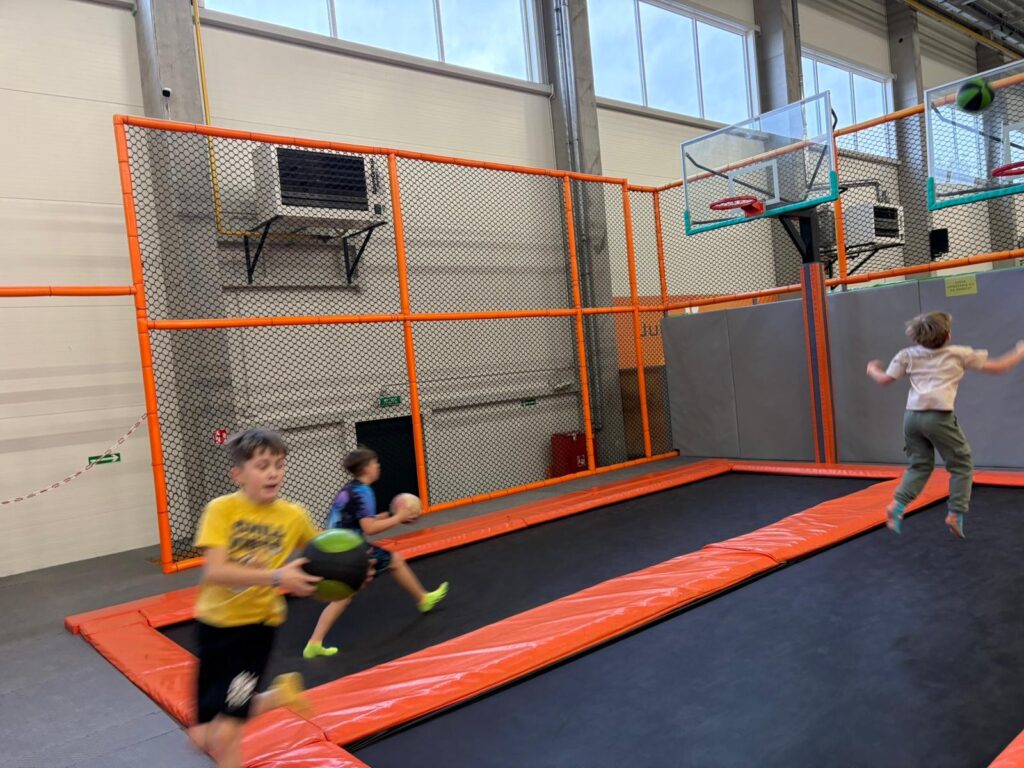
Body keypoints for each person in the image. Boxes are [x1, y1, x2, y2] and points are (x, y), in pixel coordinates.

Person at [187, 428, 322, 768]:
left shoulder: (294, 515)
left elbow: (324, 553)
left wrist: (355, 566)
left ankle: (265, 700)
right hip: (213, 626)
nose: (273, 473)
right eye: (262, 466)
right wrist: (278, 576)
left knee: (225, 735)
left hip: (255, 630)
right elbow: (216, 571)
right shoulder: (221, 510)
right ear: (239, 475)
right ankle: (278, 696)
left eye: (279, 465)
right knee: (201, 738)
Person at [866, 311, 1024, 538]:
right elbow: (1000, 367)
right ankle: (955, 513)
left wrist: (872, 369)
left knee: (919, 466)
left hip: (912, 418)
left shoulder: (906, 354)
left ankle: (897, 505)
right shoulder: (958, 354)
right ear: (948, 335)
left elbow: (884, 380)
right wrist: (1019, 352)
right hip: (938, 418)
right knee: (962, 465)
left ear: (915, 337)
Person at [302, 447, 448, 659]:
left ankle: (314, 643)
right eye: (375, 463)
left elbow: (358, 519)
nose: (378, 466)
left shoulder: (350, 489)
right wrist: (398, 518)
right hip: (348, 549)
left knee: (345, 594)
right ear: (366, 468)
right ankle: (423, 599)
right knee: (394, 561)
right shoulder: (364, 492)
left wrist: (386, 515)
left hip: (333, 548)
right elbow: (369, 528)